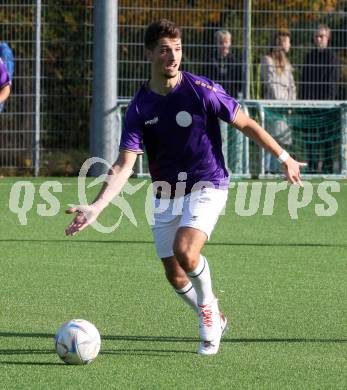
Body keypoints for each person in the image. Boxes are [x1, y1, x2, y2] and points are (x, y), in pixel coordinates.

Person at [65, 20, 305, 356]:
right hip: (165, 194)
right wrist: (97, 206)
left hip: (209, 183)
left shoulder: (201, 90)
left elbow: (246, 122)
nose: (172, 56)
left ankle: (208, 310)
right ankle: (214, 316)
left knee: (186, 249)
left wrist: (283, 156)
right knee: (175, 275)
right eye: (164, 49)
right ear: (149, 53)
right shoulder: (139, 107)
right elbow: (124, 164)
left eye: (177, 49)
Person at [300, 25, 341, 173]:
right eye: (316, 36)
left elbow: (333, 84)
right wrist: (303, 103)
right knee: (310, 140)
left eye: (321, 36)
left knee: (327, 140)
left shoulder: (333, 58)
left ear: (328, 38)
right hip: (309, 106)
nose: (318, 39)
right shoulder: (309, 57)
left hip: (326, 107)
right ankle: (311, 167)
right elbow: (304, 82)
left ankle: (328, 168)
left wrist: (326, 103)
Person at [260, 29, 296, 174]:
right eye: (287, 41)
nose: (289, 45)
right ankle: (268, 169)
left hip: (287, 107)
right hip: (274, 106)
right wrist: (280, 103)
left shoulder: (286, 63)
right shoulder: (268, 60)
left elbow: (291, 85)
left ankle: (280, 169)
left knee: (284, 139)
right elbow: (271, 83)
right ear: (280, 43)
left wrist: (292, 104)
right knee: (271, 138)